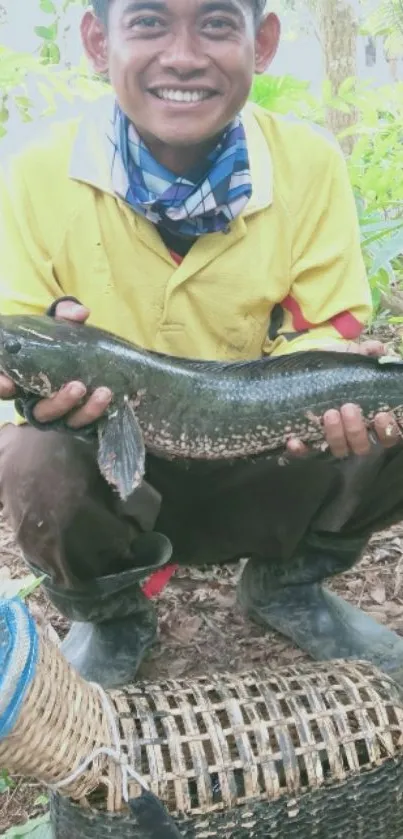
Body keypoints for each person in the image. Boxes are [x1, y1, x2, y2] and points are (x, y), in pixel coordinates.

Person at [1, 0, 403, 690]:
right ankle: (112, 612)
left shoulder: (306, 161)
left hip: (266, 452)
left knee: (383, 423)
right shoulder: (36, 172)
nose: (182, 54)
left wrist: (333, 378)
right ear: (98, 41)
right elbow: (23, 334)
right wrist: (35, 393)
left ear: (263, 41)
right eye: (149, 22)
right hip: (119, 462)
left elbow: (323, 327)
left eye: (216, 23)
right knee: (34, 457)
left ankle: (286, 582)